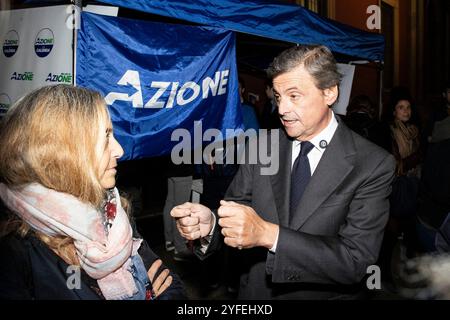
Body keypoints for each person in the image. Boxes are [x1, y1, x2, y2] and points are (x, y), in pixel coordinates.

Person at [171, 45, 396, 299]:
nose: (282, 109)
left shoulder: (373, 164)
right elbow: (237, 210)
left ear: (330, 92)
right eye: (278, 96)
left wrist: (269, 235)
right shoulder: (262, 145)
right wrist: (211, 224)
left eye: (294, 96)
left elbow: (355, 260)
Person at [0, 84, 185, 300]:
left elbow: (172, 285)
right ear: (63, 154)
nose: (119, 150)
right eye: (105, 137)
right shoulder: (13, 251)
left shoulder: (113, 212)